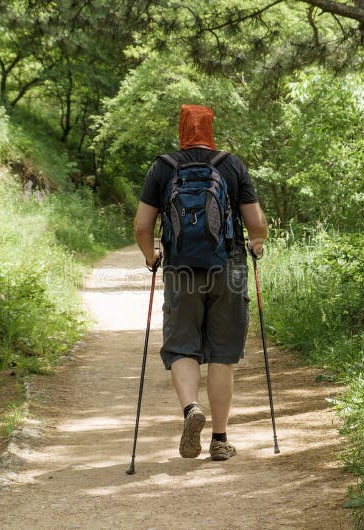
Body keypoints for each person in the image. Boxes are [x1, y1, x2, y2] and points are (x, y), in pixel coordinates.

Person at [134, 104, 268, 461]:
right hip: (229, 267)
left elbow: (142, 227)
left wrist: (151, 257)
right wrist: (255, 246)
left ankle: (191, 408)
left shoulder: (163, 167)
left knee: (182, 347)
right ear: (210, 129)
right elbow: (256, 223)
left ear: (181, 129)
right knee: (222, 355)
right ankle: (220, 440)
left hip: (180, 269)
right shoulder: (231, 165)